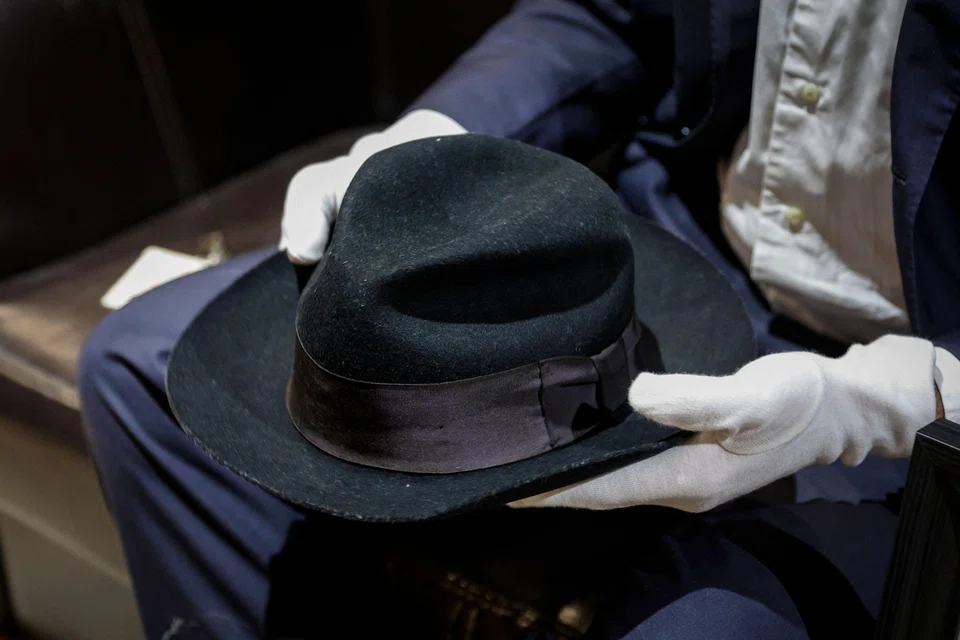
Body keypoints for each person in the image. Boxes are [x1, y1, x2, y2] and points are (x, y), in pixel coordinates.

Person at [78, 0, 960, 637]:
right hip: (682, 263)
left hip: (920, 409)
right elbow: (610, 13)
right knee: (137, 367)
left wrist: (884, 403)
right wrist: (427, 143)